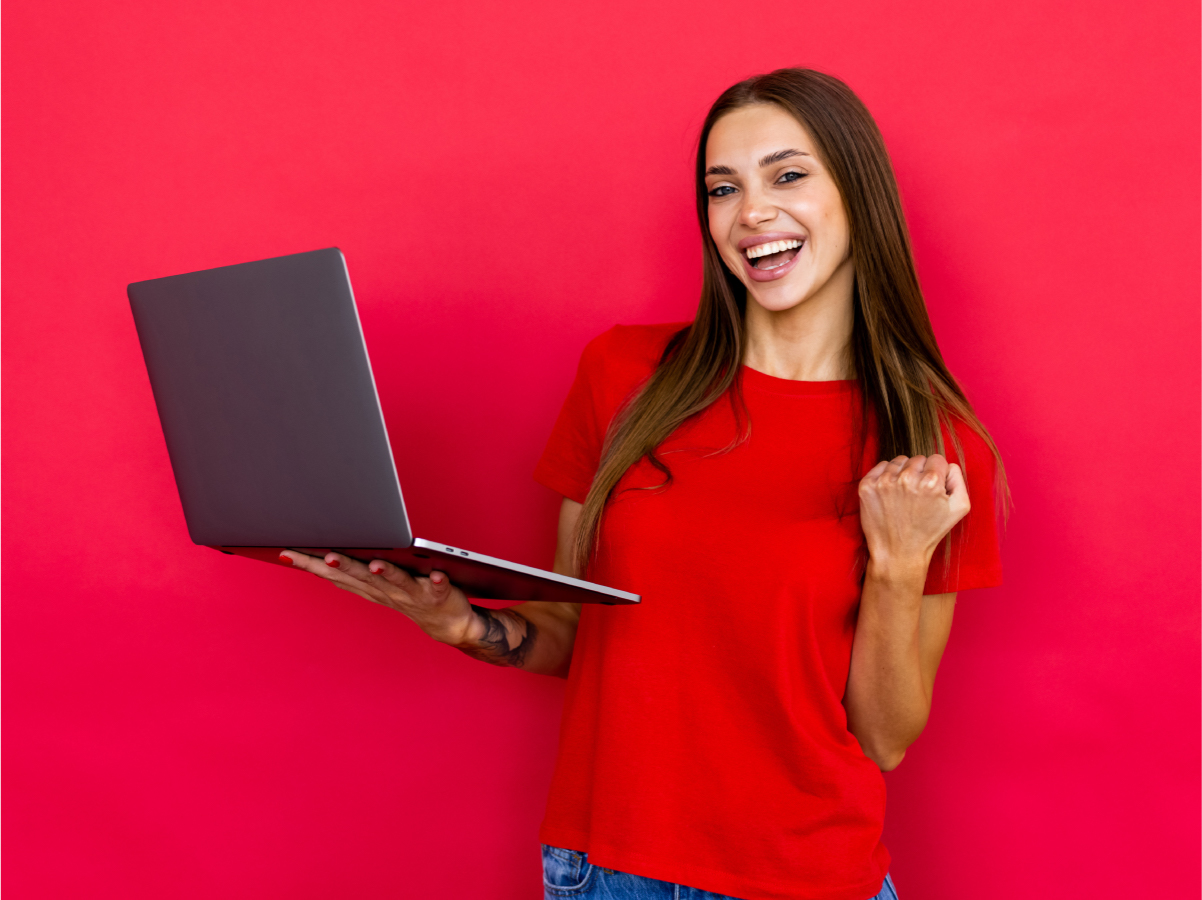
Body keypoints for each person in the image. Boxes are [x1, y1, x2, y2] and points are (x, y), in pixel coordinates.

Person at [281, 68, 1005, 900]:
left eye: (788, 175)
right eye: (723, 188)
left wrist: (899, 561)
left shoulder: (933, 447)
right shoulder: (625, 375)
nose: (752, 212)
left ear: (859, 193)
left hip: (804, 878)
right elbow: (578, 631)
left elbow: (883, 739)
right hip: (607, 870)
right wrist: (466, 624)